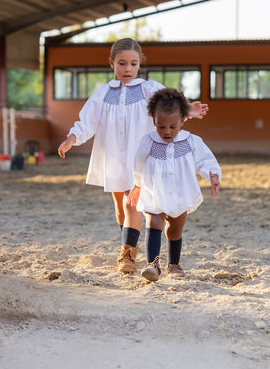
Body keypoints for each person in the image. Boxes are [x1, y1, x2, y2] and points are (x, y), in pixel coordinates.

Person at [57, 38, 208, 274]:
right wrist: (71, 139)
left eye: (133, 63)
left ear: (140, 65)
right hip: (114, 157)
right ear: (111, 63)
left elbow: (169, 105)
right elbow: (87, 121)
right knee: (121, 206)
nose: (128, 68)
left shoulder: (148, 89)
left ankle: (127, 254)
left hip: (142, 157)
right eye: (122, 63)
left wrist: (188, 109)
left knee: (132, 203)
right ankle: (129, 247)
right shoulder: (103, 93)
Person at [127, 87, 221, 282]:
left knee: (174, 230)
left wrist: (212, 176)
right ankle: (152, 264)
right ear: (154, 121)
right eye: (161, 126)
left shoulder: (191, 141)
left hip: (181, 192)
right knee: (154, 222)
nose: (167, 131)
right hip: (154, 191)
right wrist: (137, 185)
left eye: (173, 126)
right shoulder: (148, 141)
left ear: (183, 120)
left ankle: (174, 263)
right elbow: (138, 165)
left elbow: (205, 161)